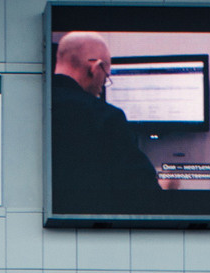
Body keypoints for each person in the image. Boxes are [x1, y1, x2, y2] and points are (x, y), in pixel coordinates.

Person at [51, 31, 163, 209]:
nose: (104, 85)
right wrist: (165, 187)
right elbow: (143, 194)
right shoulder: (106, 117)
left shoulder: (35, 104)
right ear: (95, 68)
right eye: (107, 76)